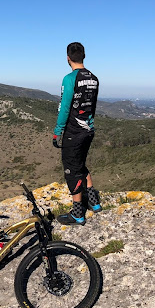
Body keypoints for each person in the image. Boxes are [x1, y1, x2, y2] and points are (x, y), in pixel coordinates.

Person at [53, 42, 101, 225]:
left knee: (71, 170)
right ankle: (94, 203)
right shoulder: (94, 78)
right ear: (84, 56)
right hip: (89, 129)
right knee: (81, 164)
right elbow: (92, 106)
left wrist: (58, 132)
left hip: (74, 131)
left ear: (68, 58)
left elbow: (65, 108)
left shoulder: (69, 79)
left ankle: (78, 213)